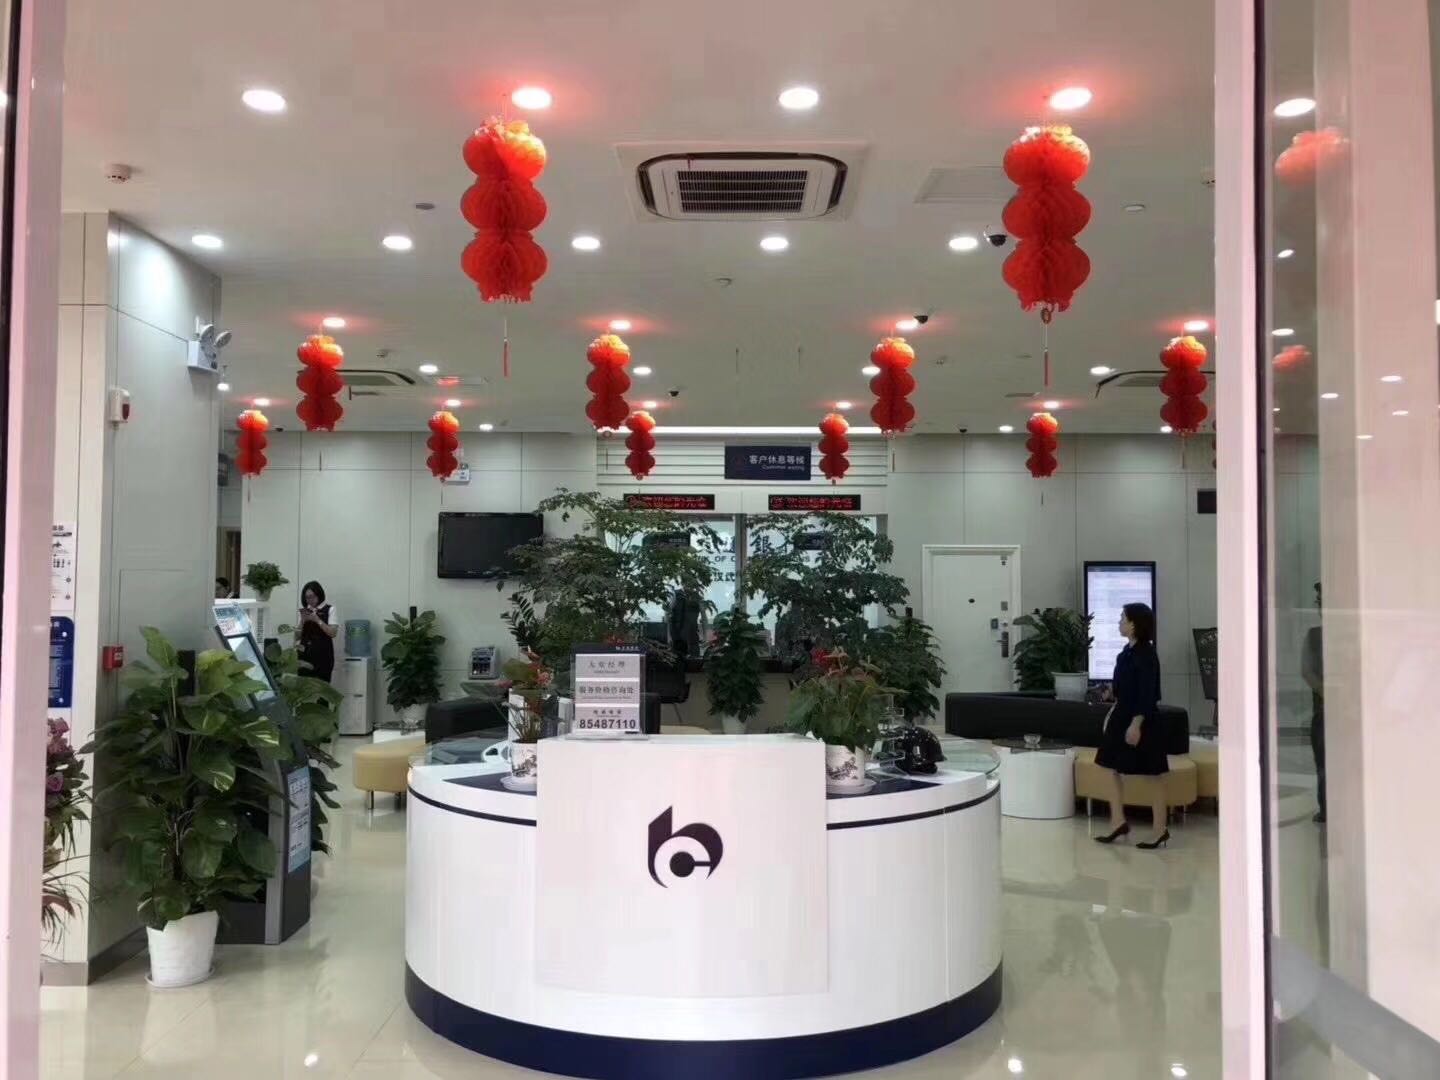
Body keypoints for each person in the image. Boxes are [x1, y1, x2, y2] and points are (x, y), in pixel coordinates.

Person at [1094, 602, 1170, 849]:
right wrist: (1109, 693)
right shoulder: (1125, 653)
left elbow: (1148, 693)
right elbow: (1123, 687)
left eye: (1123, 618)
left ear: (1134, 624)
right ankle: (1117, 821)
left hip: (1142, 720)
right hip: (1121, 716)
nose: (1119, 622)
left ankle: (1159, 829)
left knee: (1153, 774)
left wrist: (1136, 724)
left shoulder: (1147, 655)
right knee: (1109, 767)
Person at [1302, 582, 1325, 824]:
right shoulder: (1314, 636)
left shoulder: (1354, 632)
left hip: (1344, 713)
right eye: (1319, 602)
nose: (1319, 607)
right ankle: (1326, 808)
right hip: (1324, 712)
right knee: (1323, 763)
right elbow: (1307, 671)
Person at [295, 580, 339, 683]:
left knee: (322, 686)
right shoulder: (305, 611)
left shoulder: (330, 609)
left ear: (319, 594)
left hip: (323, 655)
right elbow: (297, 636)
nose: (310, 600)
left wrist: (317, 620)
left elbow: (333, 633)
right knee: (303, 687)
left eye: (312, 596)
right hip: (304, 655)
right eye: (307, 597)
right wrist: (302, 621)